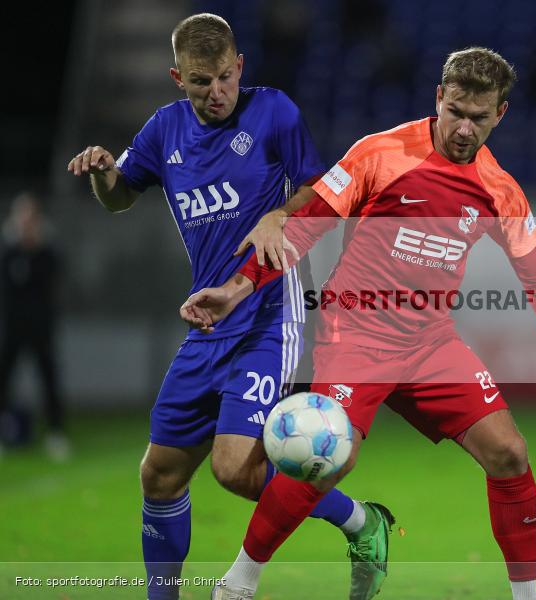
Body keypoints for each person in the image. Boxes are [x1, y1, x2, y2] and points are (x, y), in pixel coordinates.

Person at [181, 47, 536, 600]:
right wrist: (235, 289)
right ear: (439, 98)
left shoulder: (499, 189)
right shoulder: (381, 152)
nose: (465, 128)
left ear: (501, 115)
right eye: (456, 111)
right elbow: (304, 229)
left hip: (430, 343)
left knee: (509, 452)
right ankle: (236, 585)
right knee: (326, 457)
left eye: (480, 118)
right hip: (357, 335)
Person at [65, 13, 392, 600]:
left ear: (239, 66)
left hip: (271, 311)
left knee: (233, 468)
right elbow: (120, 199)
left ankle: (362, 523)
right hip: (208, 320)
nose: (216, 93)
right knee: (158, 475)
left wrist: (279, 213)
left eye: (223, 78)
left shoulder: (274, 112)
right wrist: (104, 173)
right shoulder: (164, 131)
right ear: (177, 78)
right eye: (199, 82)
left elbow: (320, 191)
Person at [0, 192, 67, 461]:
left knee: (49, 378)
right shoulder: (8, 253)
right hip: (14, 327)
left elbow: (53, 286)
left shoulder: (47, 252)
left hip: (41, 328)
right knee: (4, 378)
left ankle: (56, 433)